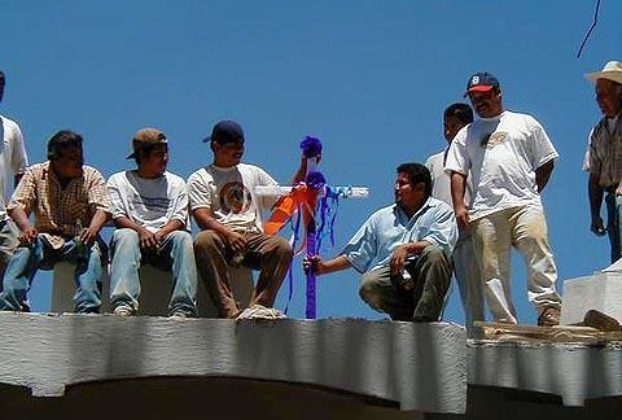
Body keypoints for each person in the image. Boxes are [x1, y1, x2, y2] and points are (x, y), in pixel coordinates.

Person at [445, 72, 562, 326]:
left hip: (524, 203)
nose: (479, 102)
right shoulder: (467, 134)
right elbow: (457, 171)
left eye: (484, 96)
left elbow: (546, 161)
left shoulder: (524, 123)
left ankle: (548, 308)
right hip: (486, 209)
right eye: (474, 98)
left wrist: (532, 190)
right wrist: (459, 205)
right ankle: (505, 321)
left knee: (537, 248)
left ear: (498, 93)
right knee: (492, 269)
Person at [304, 163, 456, 322]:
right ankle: (405, 318)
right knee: (369, 284)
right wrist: (324, 268)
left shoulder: (441, 211)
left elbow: (442, 243)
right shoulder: (381, 217)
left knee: (434, 254)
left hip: (426, 275)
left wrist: (407, 248)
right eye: (396, 183)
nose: (396, 188)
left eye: (402, 184)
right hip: (394, 278)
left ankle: (425, 321)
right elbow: (356, 253)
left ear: (420, 188)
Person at [190, 120, 305, 319]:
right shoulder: (200, 178)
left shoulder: (253, 172)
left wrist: (305, 168)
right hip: (221, 235)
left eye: (241, 146)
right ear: (216, 146)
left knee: (282, 247)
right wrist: (229, 234)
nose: (239, 151)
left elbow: (285, 201)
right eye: (232, 147)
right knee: (204, 240)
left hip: (253, 237)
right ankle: (228, 310)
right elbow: (201, 215)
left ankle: (259, 307)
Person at [0, 130, 109, 313]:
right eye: (73, 157)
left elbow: (103, 208)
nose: (79, 161)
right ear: (56, 159)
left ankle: (88, 309)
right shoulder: (36, 173)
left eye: (80, 155)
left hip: (77, 239)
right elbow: (16, 205)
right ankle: (9, 306)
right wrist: (26, 228)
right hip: (44, 237)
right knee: (25, 247)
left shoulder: (91, 176)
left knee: (92, 249)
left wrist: (93, 229)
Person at [107, 128, 197, 317]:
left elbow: (179, 218)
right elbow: (118, 216)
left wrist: (160, 233)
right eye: (158, 154)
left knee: (182, 238)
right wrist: (142, 231)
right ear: (141, 155)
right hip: (135, 240)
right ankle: (124, 304)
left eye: (166, 153)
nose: (164, 158)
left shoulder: (176, 183)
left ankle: (183, 307)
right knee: (124, 235)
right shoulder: (119, 180)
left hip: (164, 241)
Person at [425, 103, 484, 334]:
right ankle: (430, 338)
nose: (449, 132)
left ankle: (476, 341)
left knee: (472, 296)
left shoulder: (478, 159)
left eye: (454, 126)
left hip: (467, 234)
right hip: (439, 237)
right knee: (434, 294)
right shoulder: (434, 161)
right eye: (445, 126)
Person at [584, 61, 622, 264]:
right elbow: (594, 175)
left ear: (619, 92)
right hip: (611, 195)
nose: (599, 100)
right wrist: (595, 214)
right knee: (617, 251)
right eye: (597, 94)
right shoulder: (598, 132)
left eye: (604, 94)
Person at [0, 70, 29, 280]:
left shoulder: (10, 128)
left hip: (2, 217)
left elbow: (22, 173)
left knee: (13, 269)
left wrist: (18, 214)